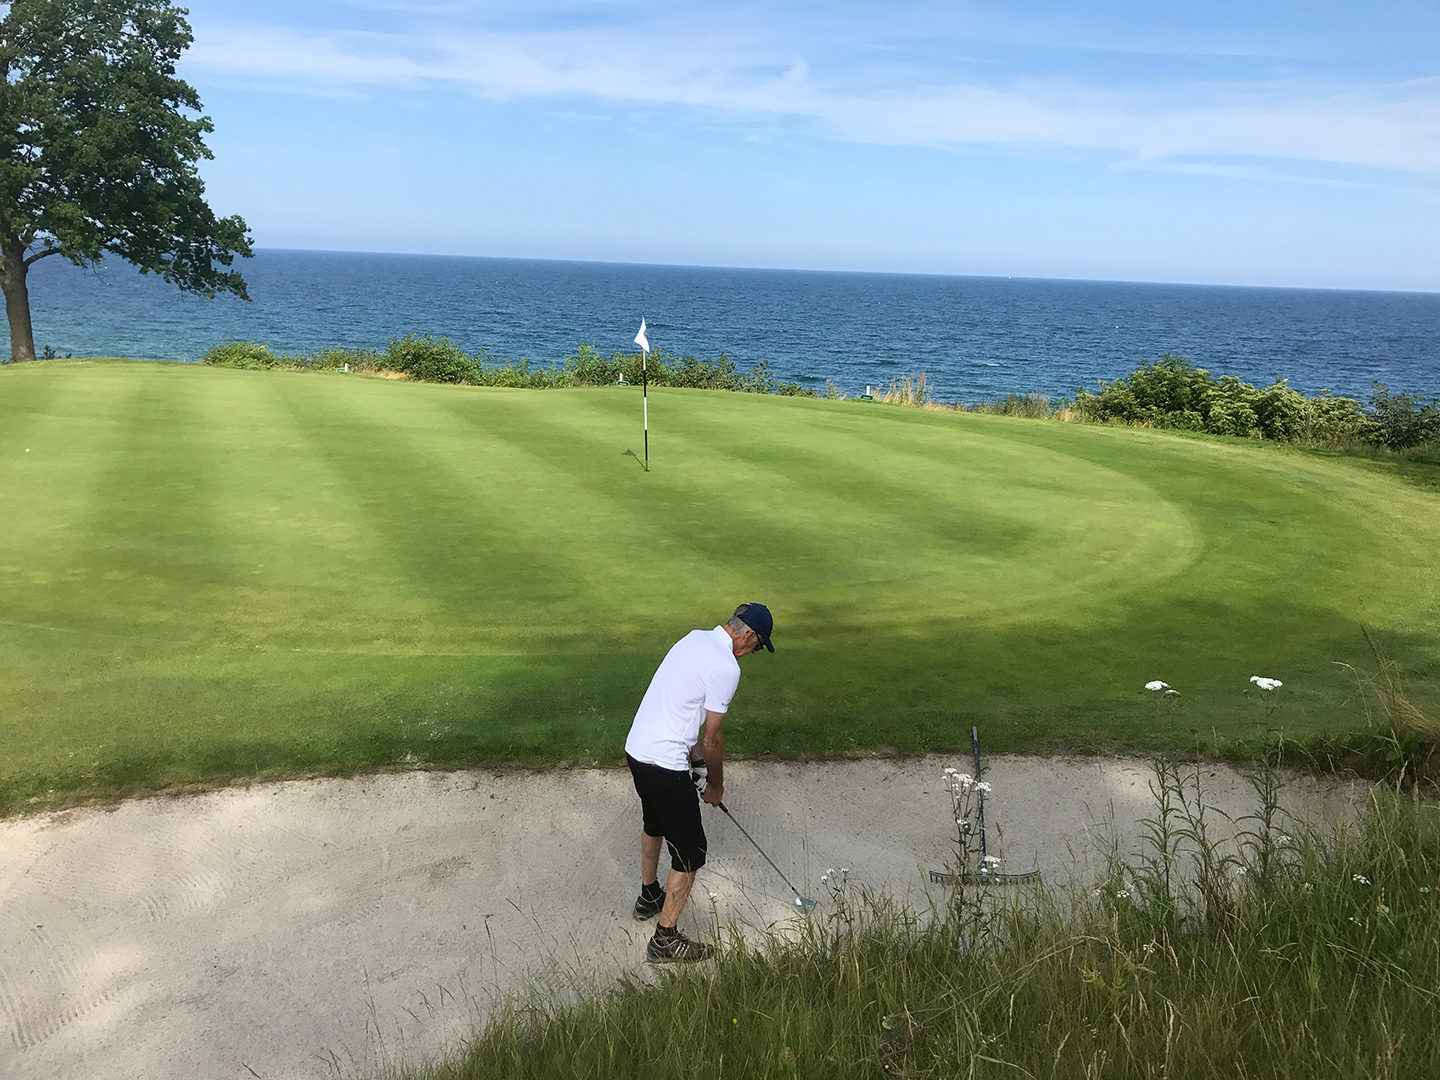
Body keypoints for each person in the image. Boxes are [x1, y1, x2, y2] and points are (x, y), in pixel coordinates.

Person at [623, 602, 774, 962]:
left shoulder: (694, 639)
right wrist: (715, 785)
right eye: (758, 646)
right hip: (663, 761)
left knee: (655, 822)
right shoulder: (726, 667)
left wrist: (697, 768)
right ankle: (665, 939)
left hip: (637, 749)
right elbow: (712, 739)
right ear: (748, 635)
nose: (754, 653)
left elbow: (683, 708)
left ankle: (649, 896)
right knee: (691, 852)